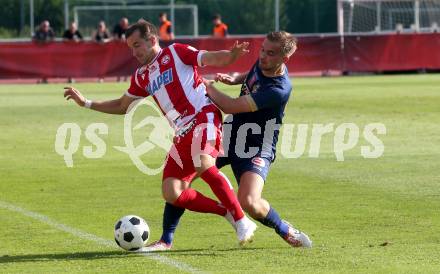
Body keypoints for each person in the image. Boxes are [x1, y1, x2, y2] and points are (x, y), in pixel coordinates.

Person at [63, 19, 257, 250]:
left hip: (204, 115)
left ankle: (241, 219)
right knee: (172, 192)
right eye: (130, 47)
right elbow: (123, 106)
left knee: (203, 163)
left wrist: (232, 56)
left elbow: (214, 58)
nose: (133, 52)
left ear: (152, 40)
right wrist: (86, 103)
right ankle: (225, 210)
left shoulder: (177, 52)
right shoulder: (141, 76)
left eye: (137, 45)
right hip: (182, 131)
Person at [148, 31, 312, 252]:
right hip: (229, 135)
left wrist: (206, 85)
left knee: (250, 202)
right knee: (182, 178)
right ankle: (166, 239)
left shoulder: (279, 90)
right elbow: (252, 73)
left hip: (256, 147)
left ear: (285, 59)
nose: (263, 55)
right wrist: (235, 78)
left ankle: (284, 228)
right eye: (262, 49)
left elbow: (229, 106)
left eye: (270, 53)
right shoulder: (265, 62)